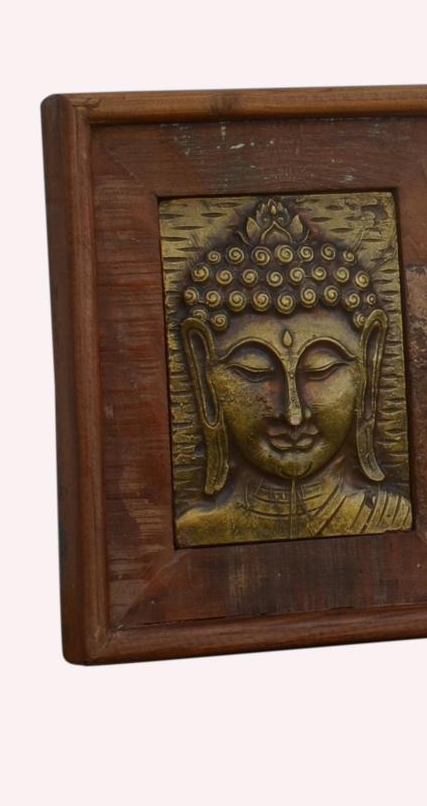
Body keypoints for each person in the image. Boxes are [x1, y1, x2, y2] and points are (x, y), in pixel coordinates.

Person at [175, 198, 411, 546]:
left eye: (321, 370)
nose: (293, 413)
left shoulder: (393, 519)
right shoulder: (194, 532)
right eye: (255, 371)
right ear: (202, 369)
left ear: (370, 358)